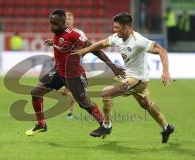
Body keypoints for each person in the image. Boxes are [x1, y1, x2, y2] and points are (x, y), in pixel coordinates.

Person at [74, 12, 174, 143]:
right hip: (132, 78)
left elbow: (162, 51)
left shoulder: (139, 41)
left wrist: (165, 71)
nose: (114, 30)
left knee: (106, 93)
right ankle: (166, 127)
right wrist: (84, 51)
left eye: (117, 27)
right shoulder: (117, 37)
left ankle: (106, 126)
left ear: (126, 27)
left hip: (138, 79)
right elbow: (101, 44)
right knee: (147, 105)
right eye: (114, 27)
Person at [25, 9, 125, 136]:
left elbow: (96, 50)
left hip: (74, 76)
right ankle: (41, 124)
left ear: (63, 23)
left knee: (85, 104)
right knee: (36, 92)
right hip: (58, 72)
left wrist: (113, 67)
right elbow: (62, 43)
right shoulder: (58, 33)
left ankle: (105, 125)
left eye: (55, 24)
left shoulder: (75, 35)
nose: (52, 26)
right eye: (51, 23)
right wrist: (53, 42)